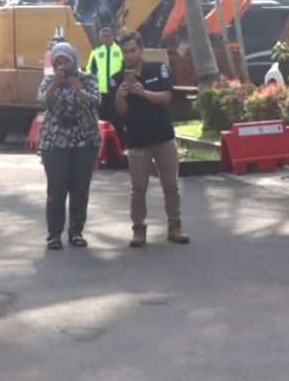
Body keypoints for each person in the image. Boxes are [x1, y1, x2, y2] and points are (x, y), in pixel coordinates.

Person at [114, 32, 189, 247]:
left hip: (163, 136)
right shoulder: (119, 78)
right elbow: (121, 112)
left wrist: (143, 92)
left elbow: (166, 97)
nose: (129, 55)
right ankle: (138, 229)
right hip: (137, 140)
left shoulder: (158, 69)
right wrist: (121, 95)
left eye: (133, 50)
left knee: (171, 185)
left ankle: (175, 225)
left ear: (141, 49)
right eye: (125, 52)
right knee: (138, 188)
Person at [36, 41, 101, 249]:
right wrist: (55, 83)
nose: (63, 66)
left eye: (67, 61)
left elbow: (96, 101)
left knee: (80, 189)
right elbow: (41, 102)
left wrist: (79, 90)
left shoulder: (87, 79)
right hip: (55, 142)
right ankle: (54, 234)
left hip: (85, 140)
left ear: (74, 61)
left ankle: (76, 232)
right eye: (59, 62)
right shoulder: (48, 81)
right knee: (57, 189)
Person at [86, 24, 125, 143]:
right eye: (103, 36)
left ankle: (121, 144)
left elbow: (125, 68)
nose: (105, 38)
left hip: (117, 92)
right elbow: (90, 70)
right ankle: (103, 144)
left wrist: (117, 80)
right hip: (101, 93)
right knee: (102, 120)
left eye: (107, 36)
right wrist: (92, 85)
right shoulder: (95, 52)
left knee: (118, 120)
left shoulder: (120, 50)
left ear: (113, 36)